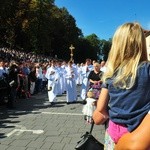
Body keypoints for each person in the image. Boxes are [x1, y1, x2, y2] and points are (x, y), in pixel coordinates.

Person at [93, 22, 150, 149]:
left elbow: (101, 108)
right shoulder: (147, 69)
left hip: (114, 132)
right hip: (139, 134)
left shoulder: (111, 72)